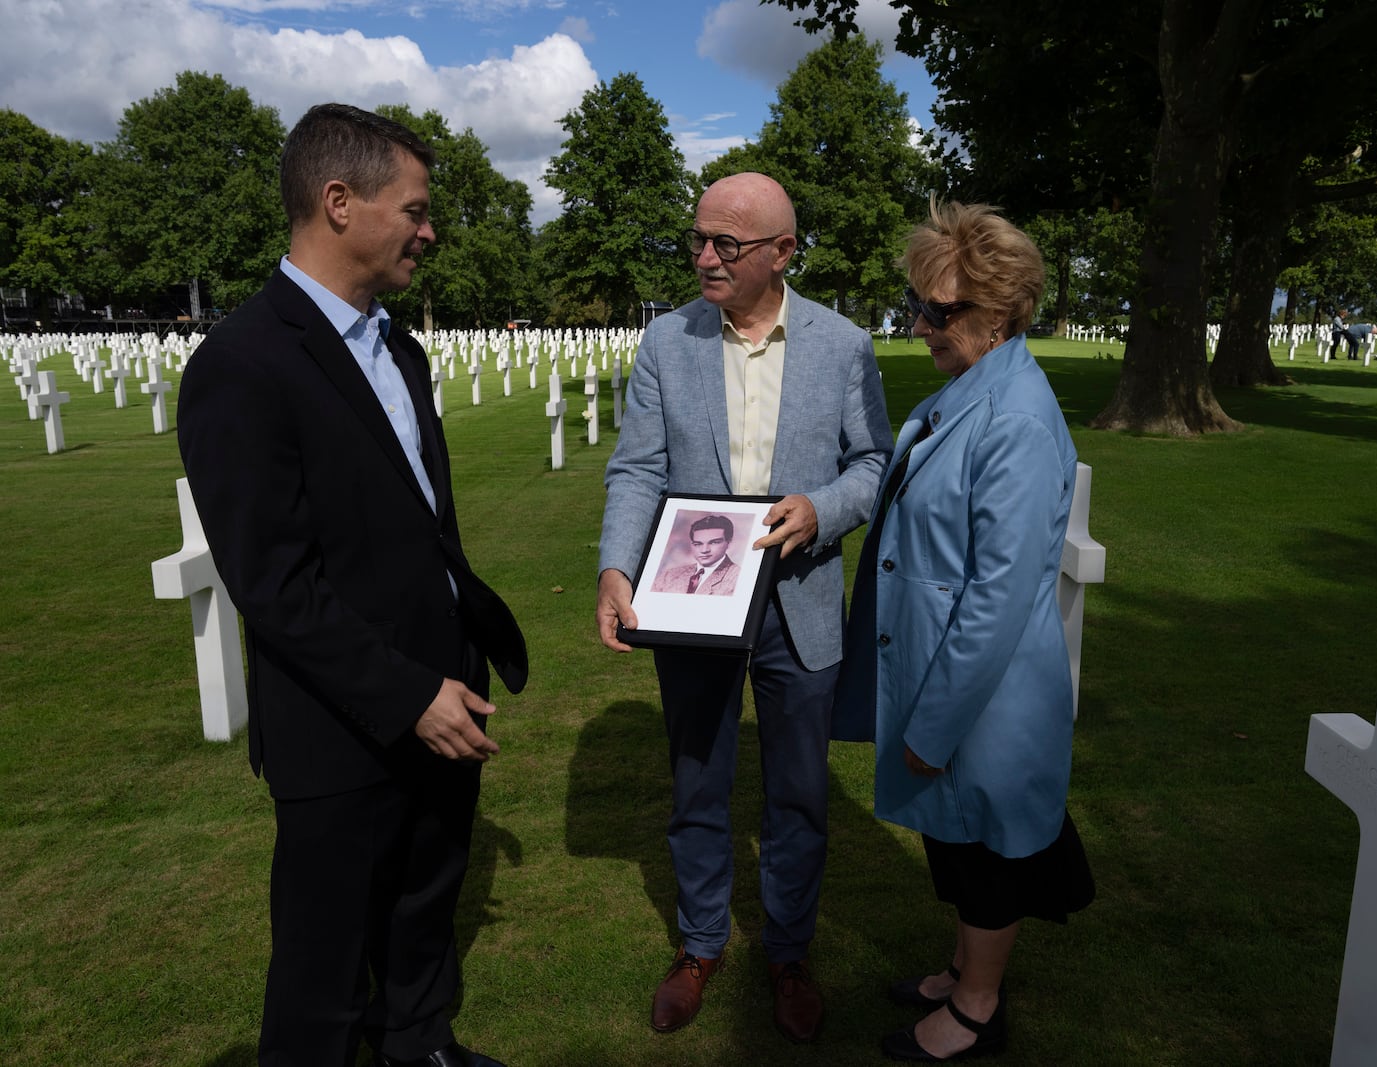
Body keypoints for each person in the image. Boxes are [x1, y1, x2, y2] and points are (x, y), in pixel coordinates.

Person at [176, 103, 528, 1067]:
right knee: (323, 965)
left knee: (423, 908)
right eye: (413, 209)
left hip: (442, 689)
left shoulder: (397, 348)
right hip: (342, 718)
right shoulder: (242, 364)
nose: (429, 229)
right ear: (338, 202)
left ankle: (420, 1046)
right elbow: (273, 582)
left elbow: (419, 524)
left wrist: (452, 658)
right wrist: (404, 693)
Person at [596, 171, 892, 1042]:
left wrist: (820, 509)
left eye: (727, 243)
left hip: (799, 599)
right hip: (692, 598)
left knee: (799, 791)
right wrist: (618, 567)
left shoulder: (843, 345)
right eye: (698, 238)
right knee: (697, 781)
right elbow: (638, 467)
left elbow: (873, 464)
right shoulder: (667, 341)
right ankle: (698, 944)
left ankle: (789, 951)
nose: (705, 257)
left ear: (782, 253)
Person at [834, 200, 1094, 1063]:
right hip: (946, 672)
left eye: (937, 312)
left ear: (998, 311)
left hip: (981, 692)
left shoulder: (1013, 418)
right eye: (920, 305)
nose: (919, 326)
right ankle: (961, 969)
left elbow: (998, 593)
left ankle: (978, 1011)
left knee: (986, 846)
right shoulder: (973, 390)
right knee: (956, 834)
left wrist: (935, 722)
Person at [650, 513, 743, 595]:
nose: (704, 550)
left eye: (714, 542)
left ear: (729, 543)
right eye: (698, 544)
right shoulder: (669, 576)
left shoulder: (738, 578)